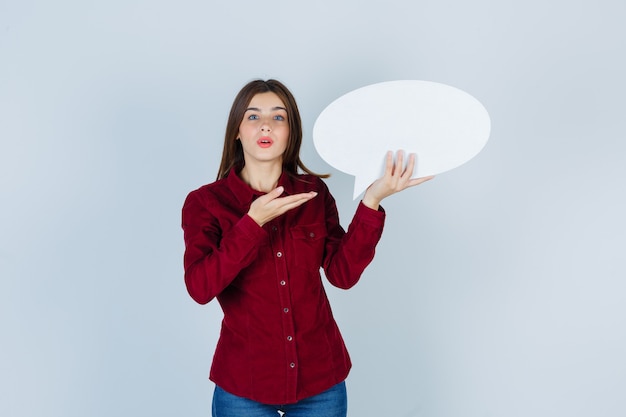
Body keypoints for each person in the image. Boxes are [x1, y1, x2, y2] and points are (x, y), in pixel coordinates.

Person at [181, 79, 433, 417]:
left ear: (290, 133)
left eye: (278, 117)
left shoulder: (313, 193)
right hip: (244, 385)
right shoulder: (206, 203)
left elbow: (341, 274)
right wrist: (251, 225)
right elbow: (200, 287)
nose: (266, 125)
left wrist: (372, 200)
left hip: (321, 383)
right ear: (237, 132)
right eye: (253, 117)